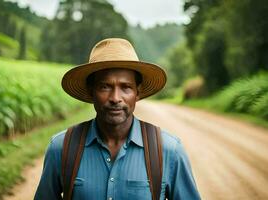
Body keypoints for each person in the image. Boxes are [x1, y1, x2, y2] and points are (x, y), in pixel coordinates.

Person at [34, 38, 201, 200]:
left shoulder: (169, 151)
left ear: (138, 92)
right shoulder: (61, 148)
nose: (115, 98)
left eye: (126, 87)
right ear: (91, 91)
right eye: (105, 86)